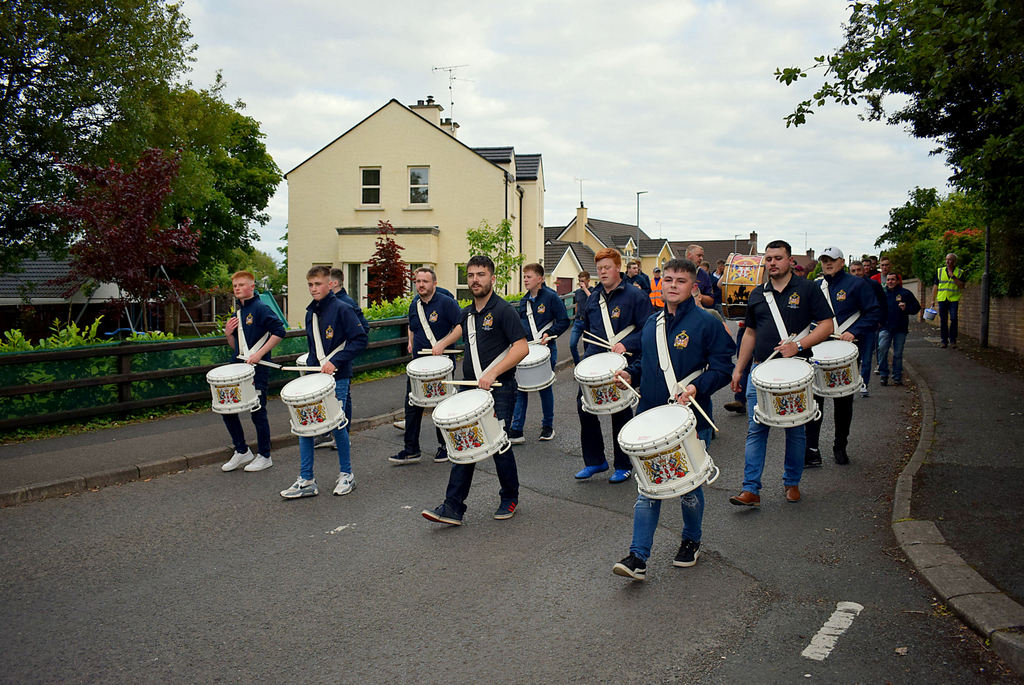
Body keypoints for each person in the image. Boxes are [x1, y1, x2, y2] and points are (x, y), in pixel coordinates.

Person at [610, 259, 735, 580]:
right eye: (667, 279)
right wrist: (628, 373)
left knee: (688, 489)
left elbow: (723, 368)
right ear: (660, 284)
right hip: (651, 418)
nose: (673, 285)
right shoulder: (652, 323)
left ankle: (691, 540)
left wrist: (697, 386)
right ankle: (637, 557)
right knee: (648, 488)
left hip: (690, 419)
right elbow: (645, 364)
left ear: (693, 286)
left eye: (680, 280)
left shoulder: (706, 323)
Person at [421, 255, 529, 525]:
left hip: (500, 388)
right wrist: (443, 343)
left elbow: (521, 347)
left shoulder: (504, 310)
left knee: (499, 445)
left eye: (480, 275)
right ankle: (453, 507)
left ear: (492, 278)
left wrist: (493, 372)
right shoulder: (468, 313)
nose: (475, 280)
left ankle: (509, 497)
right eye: (470, 275)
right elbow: (460, 329)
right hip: (471, 389)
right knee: (464, 443)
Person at [729, 240, 833, 506]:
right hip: (760, 369)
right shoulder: (757, 294)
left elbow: (826, 325)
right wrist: (740, 370)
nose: (772, 263)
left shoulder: (808, 289)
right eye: (768, 258)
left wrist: (798, 345)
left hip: (796, 370)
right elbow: (750, 333)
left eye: (777, 258)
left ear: (789, 261)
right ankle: (751, 488)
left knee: (795, 429)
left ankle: (792, 482)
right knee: (756, 428)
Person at [280, 265, 368, 499]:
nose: (313, 288)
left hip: (338, 377)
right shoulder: (311, 313)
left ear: (330, 284)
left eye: (318, 284)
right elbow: (313, 348)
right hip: (315, 377)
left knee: (337, 424)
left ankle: (347, 474)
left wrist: (336, 361)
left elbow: (360, 340)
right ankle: (307, 479)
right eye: (310, 284)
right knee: (305, 426)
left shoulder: (343, 308)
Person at [576, 248, 653, 483]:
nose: (602, 272)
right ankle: (595, 461)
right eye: (599, 268)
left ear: (618, 268)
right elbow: (588, 328)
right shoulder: (593, 297)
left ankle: (623, 464)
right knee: (585, 407)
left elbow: (648, 331)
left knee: (619, 411)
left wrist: (625, 343)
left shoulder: (635, 296)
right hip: (596, 361)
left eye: (607, 267)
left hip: (623, 363)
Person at [804, 248, 880, 468]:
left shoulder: (857, 285)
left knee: (843, 402)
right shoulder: (817, 286)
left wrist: (855, 331)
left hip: (845, 351)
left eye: (831, 260)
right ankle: (812, 450)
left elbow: (874, 312)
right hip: (819, 349)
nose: (827, 264)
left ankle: (840, 446)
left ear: (841, 262)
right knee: (815, 401)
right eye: (824, 261)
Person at [389, 266, 462, 465]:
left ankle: (445, 447)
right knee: (412, 404)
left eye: (425, 281)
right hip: (418, 366)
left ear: (434, 283)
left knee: (441, 404)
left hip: (441, 365)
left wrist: (443, 344)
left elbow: (460, 327)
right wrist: (410, 341)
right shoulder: (415, 305)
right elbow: (413, 326)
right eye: (418, 281)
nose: (421, 285)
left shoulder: (446, 303)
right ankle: (411, 449)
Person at [219, 270, 286, 473]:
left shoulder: (261, 308)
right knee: (227, 409)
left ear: (252, 287)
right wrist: (228, 334)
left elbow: (280, 332)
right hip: (237, 368)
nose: (237, 288)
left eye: (241, 285)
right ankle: (242, 450)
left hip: (258, 369)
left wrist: (260, 354)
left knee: (257, 412)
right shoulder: (237, 312)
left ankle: (265, 455)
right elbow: (236, 346)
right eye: (235, 286)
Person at [508, 263, 569, 444]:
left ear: (540, 279)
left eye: (529, 276)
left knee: (544, 387)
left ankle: (547, 426)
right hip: (527, 350)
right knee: (521, 388)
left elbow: (564, 320)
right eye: (524, 277)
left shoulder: (551, 297)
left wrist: (549, 334)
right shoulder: (524, 300)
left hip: (546, 349)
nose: (525, 279)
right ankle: (517, 429)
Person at [315, 268, 369, 448]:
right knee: (342, 397)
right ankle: (337, 433)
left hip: (339, 360)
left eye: (322, 283)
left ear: (333, 283)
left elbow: (363, 331)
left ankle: (342, 435)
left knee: (341, 398)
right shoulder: (323, 306)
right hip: (330, 361)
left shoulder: (345, 304)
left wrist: (341, 354)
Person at [849, 259, 887, 395]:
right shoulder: (846, 285)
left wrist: (879, 321)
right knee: (854, 359)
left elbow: (882, 303)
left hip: (869, 327)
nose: (856, 273)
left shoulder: (873, 285)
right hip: (852, 329)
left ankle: (864, 384)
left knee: (867, 358)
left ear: (864, 271)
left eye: (859, 270)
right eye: (853, 271)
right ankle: (853, 384)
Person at [878, 273, 921, 386]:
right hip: (885, 327)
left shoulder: (905, 293)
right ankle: (883, 374)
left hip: (900, 328)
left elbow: (916, 307)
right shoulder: (882, 294)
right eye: (888, 280)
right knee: (882, 350)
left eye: (893, 279)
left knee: (897, 354)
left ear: (897, 281)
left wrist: (906, 308)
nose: (890, 282)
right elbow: (876, 308)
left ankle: (897, 377)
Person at [931, 252, 966, 348]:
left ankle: (953, 340)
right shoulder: (940, 271)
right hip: (942, 298)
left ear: (954, 262)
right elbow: (935, 286)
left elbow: (962, 286)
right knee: (943, 320)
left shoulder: (960, 272)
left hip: (953, 299)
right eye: (946, 259)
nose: (947, 261)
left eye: (950, 259)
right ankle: (944, 340)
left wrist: (953, 277)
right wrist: (932, 300)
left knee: (954, 318)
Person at [569, 271, 592, 365]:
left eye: (582, 281)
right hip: (578, 321)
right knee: (572, 344)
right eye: (579, 281)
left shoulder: (593, 290)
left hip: (588, 323)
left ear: (588, 280)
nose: (580, 283)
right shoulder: (578, 292)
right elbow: (577, 304)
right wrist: (575, 316)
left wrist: (585, 289)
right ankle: (577, 364)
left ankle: (586, 367)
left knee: (587, 347)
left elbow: (592, 299)